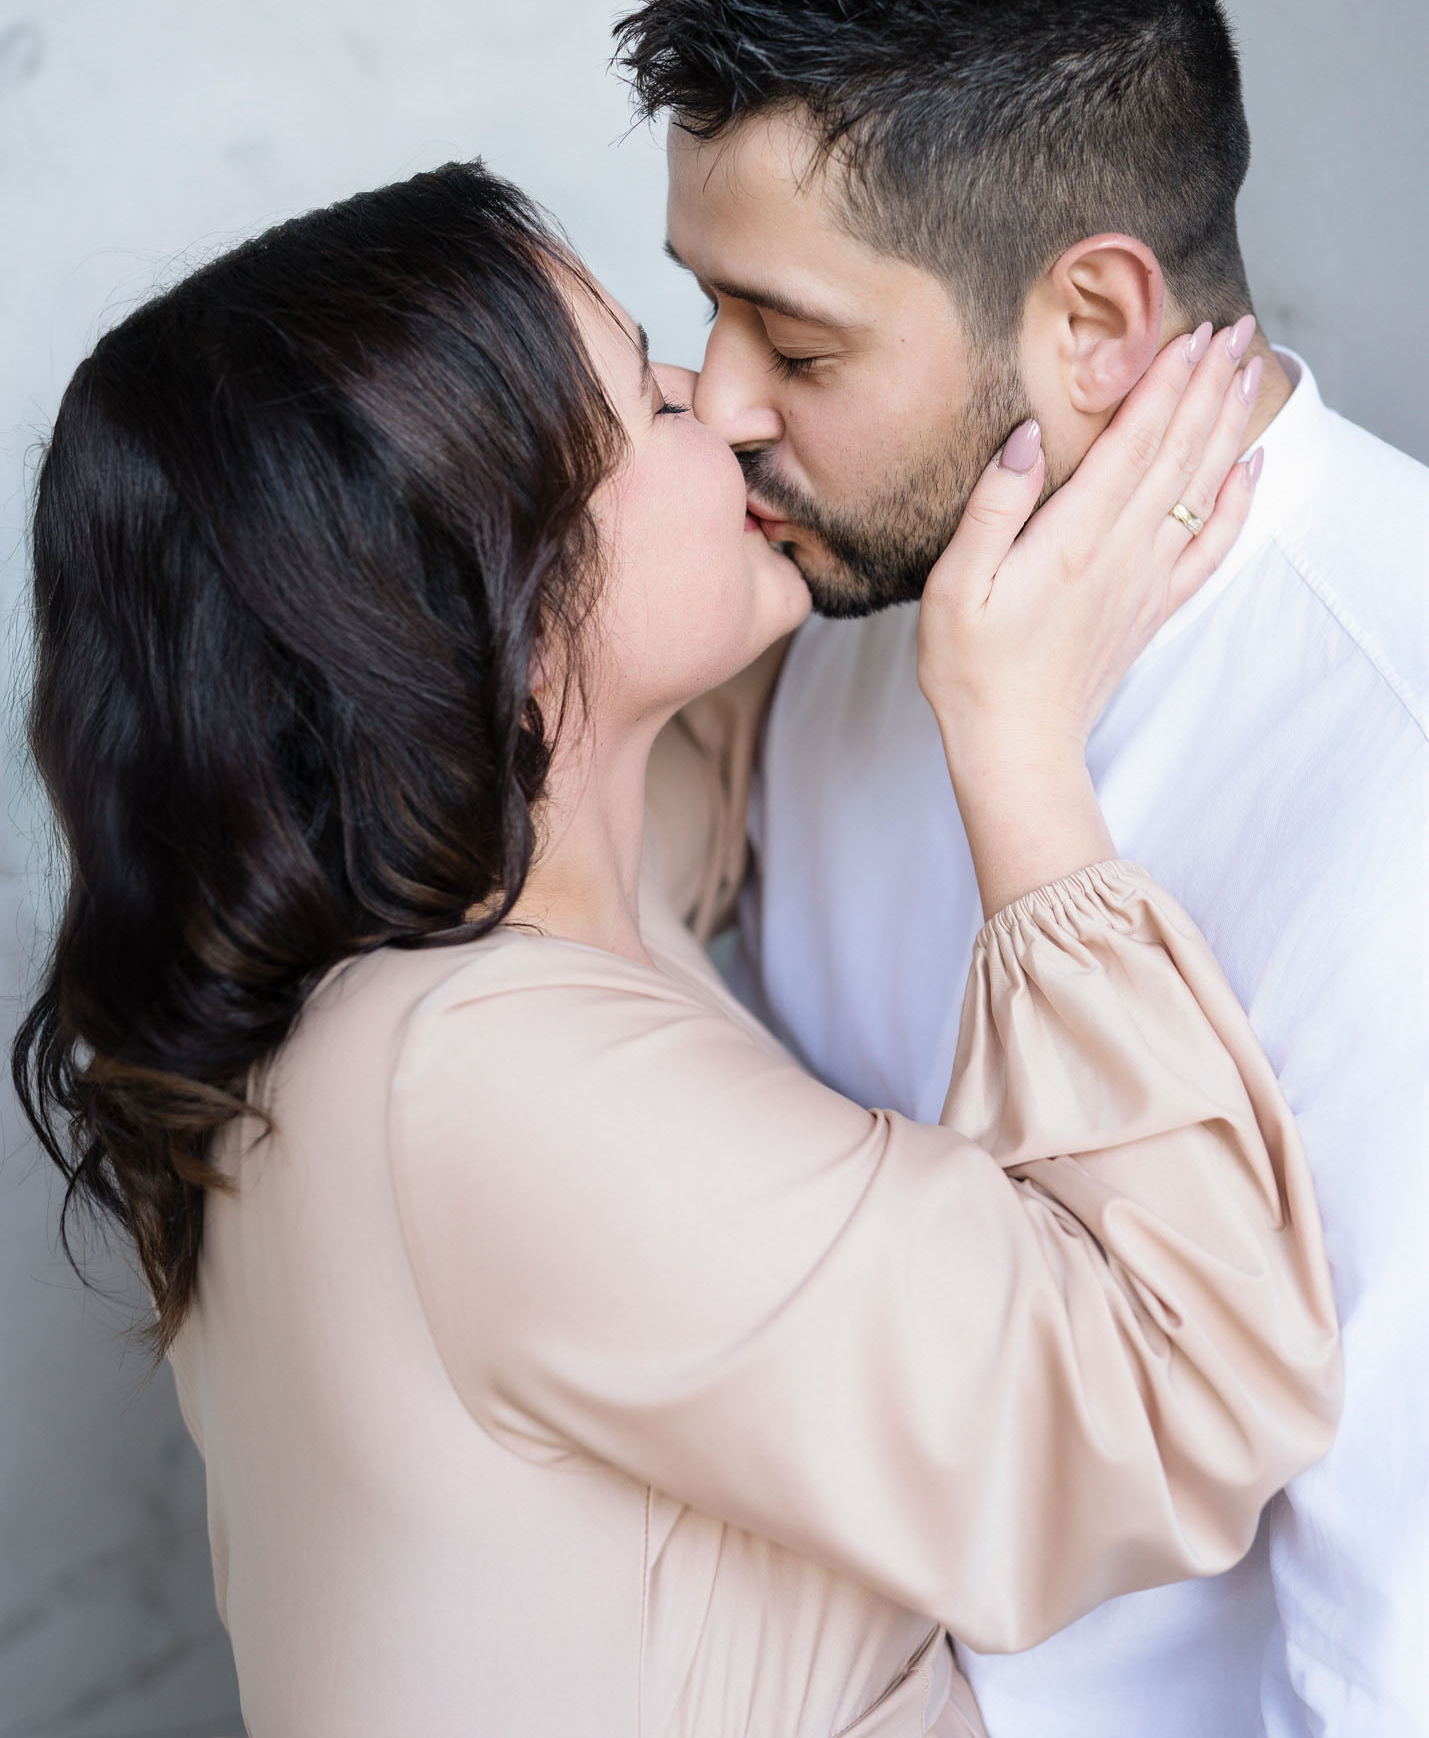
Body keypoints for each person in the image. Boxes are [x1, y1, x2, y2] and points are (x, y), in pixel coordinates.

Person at [10, 161, 1337, 1736]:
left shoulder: (410, 956)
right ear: (497, 595)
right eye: (648, 394)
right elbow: (1170, 1400)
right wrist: (1013, 739)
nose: (722, 407)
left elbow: (662, 778)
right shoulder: (480, 1082)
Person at [615, 0, 1429, 1738]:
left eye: (794, 343)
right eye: (704, 306)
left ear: (1091, 321)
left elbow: (1381, 1658)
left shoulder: (1389, 755)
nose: (717, 406)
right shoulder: (846, 584)